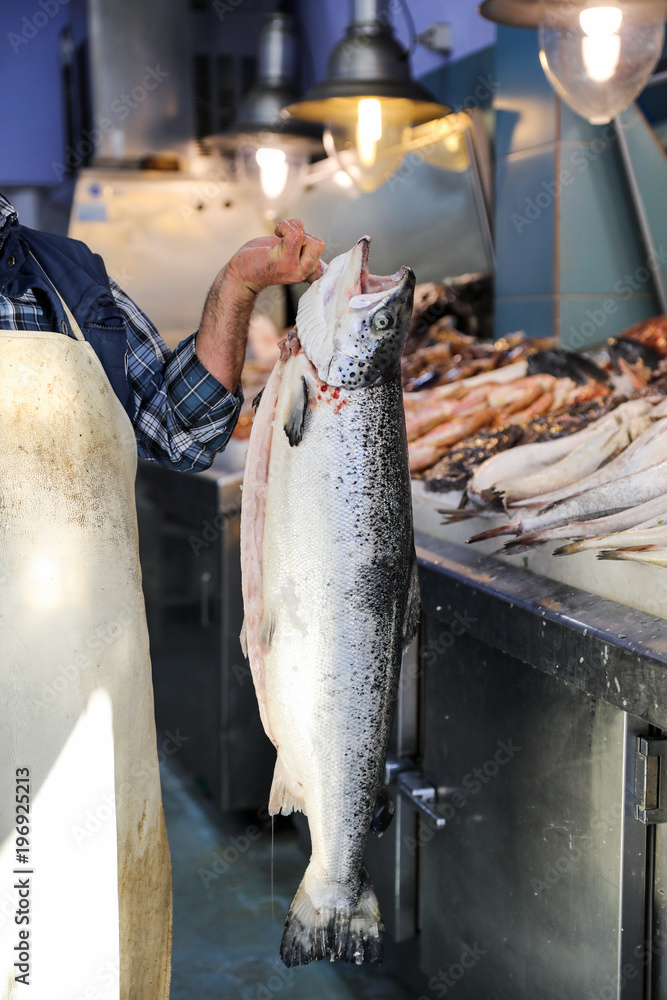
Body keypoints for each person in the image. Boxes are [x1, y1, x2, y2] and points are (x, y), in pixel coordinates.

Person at [0, 192, 324, 1000]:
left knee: (64, 943)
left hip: (77, 702)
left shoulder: (63, 276)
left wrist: (238, 284)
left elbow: (179, 426)